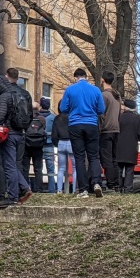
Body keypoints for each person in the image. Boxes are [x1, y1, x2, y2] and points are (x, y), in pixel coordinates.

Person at [58, 67, 105, 199]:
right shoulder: (95, 90)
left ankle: (83, 189)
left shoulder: (70, 89)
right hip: (91, 124)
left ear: (75, 78)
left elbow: (63, 108)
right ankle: (96, 183)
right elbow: (101, 109)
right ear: (86, 77)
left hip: (75, 125)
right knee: (94, 156)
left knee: (79, 158)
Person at [0, 68, 33, 208]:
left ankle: (13, 196)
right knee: (15, 164)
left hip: (8, 134)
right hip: (21, 133)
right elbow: (31, 115)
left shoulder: (4, 95)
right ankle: (25, 188)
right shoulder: (25, 94)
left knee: (8, 165)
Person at [98, 71, 122, 192]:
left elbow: (101, 114)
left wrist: (99, 128)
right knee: (113, 158)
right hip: (116, 129)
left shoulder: (104, 95)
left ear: (102, 80)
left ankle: (111, 184)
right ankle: (116, 183)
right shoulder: (117, 95)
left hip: (106, 130)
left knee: (106, 158)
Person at [115, 99, 140, 193]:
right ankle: (128, 190)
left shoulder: (118, 117)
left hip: (118, 147)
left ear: (125, 107)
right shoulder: (139, 119)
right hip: (131, 148)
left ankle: (118, 189)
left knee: (118, 169)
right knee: (129, 170)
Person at [21, 101, 47, 194]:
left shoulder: (25, 118)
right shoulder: (42, 119)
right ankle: (39, 188)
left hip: (26, 145)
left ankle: (25, 188)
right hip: (38, 146)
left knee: (25, 168)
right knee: (38, 168)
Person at [53, 111, 74, 195]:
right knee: (75, 168)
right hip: (71, 142)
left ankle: (59, 189)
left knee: (61, 168)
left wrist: (56, 143)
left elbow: (54, 134)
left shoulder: (57, 118)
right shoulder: (72, 116)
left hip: (61, 142)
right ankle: (74, 190)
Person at [39, 98, 57, 194]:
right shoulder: (53, 117)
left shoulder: (36, 116)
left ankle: (37, 188)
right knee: (51, 169)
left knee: (38, 168)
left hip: (38, 144)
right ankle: (52, 190)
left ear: (41, 106)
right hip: (49, 144)